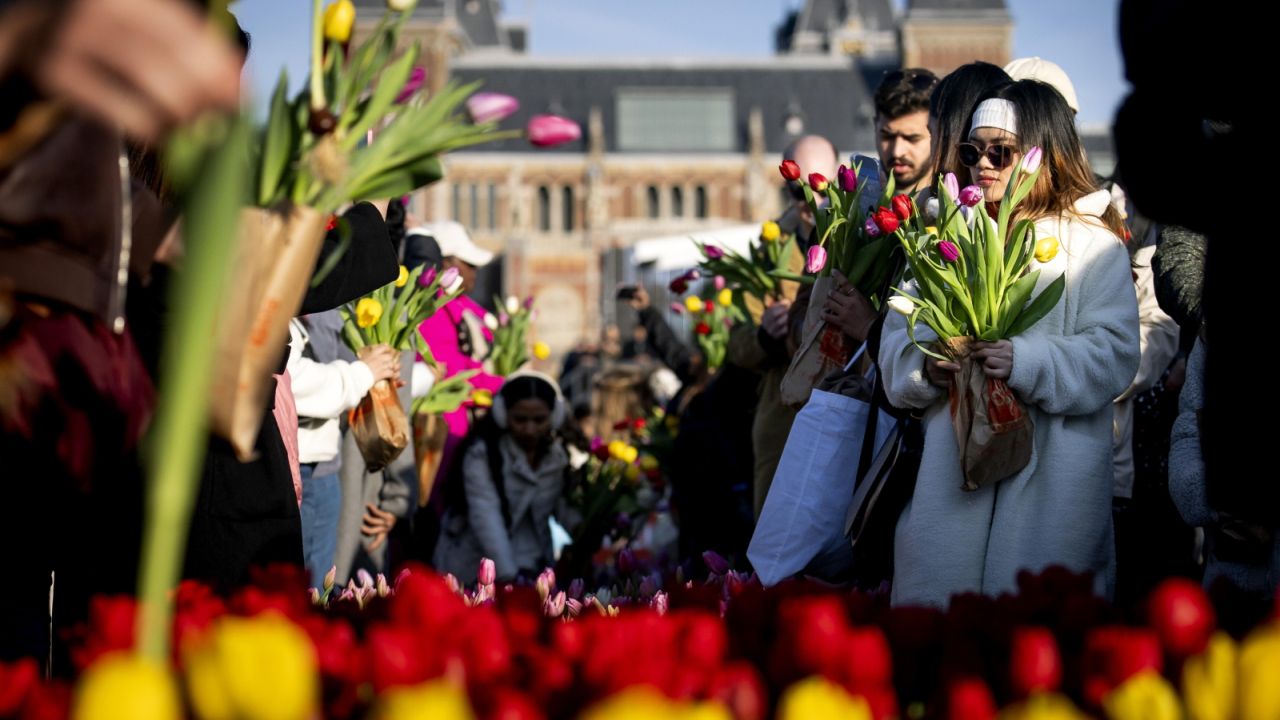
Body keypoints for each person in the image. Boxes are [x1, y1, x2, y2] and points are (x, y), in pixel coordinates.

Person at [878, 80, 1140, 607]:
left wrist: (1028, 361)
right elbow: (896, 340)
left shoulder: (1093, 245)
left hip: (1050, 495)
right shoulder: (943, 237)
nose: (983, 164)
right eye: (973, 151)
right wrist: (927, 369)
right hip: (951, 490)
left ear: (1046, 154)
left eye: (1001, 152)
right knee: (941, 643)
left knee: (1035, 642)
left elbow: (1115, 355)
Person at [432, 371, 578, 583]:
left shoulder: (559, 457)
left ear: (555, 417)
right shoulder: (482, 454)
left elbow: (567, 510)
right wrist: (508, 576)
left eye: (539, 420)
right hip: (477, 568)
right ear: (502, 414)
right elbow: (486, 516)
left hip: (536, 564)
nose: (530, 429)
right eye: (520, 419)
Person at [287, 315, 399, 588]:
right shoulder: (277, 306)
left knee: (318, 589)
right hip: (300, 466)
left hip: (324, 463)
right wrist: (363, 374)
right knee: (301, 589)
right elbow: (288, 379)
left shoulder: (330, 311)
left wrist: (379, 374)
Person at [873, 68, 938, 197]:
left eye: (912, 138)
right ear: (875, 126)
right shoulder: (849, 206)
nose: (897, 151)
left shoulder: (964, 207)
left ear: (940, 134)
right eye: (887, 136)